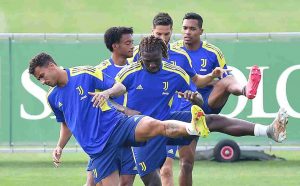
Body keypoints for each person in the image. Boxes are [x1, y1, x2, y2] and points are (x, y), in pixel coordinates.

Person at [96, 35, 288, 185]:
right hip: (141, 131)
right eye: (147, 61)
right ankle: (193, 127)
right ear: (141, 58)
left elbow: (198, 98)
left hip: (167, 120)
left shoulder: (175, 73)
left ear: (163, 55)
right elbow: (117, 91)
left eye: (155, 60)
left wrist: (193, 97)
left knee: (210, 119)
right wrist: (114, 100)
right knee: (151, 180)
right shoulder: (130, 72)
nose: (152, 64)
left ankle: (269, 131)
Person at [28, 52, 208, 186]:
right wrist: (60, 146)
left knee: (156, 125)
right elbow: (66, 124)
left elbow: (117, 87)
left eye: (42, 76)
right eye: (39, 80)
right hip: (99, 148)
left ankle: (192, 127)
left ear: (51, 65)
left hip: (117, 125)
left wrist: (120, 105)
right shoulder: (52, 97)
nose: (42, 82)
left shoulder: (85, 74)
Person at [85, 26, 139, 186]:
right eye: (128, 43)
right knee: (94, 183)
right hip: (106, 134)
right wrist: (123, 109)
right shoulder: (100, 70)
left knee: (127, 182)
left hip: (131, 132)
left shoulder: (138, 68)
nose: (132, 46)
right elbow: (92, 99)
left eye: (132, 42)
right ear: (115, 46)